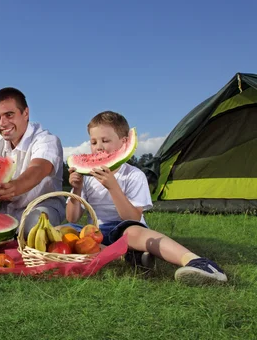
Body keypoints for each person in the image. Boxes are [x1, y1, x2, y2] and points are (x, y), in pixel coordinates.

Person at [66, 111, 227, 284]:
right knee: (65, 229)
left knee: (133, 233)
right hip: (95, 232)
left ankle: (198, 262)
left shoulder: (134, 175)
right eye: (93, 142)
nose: (98, 147)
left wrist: (113, 187)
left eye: (105, 141)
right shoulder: (87, 178)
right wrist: (77, 190)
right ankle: (130, 256)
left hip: (126, 228)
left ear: (124, 143)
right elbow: (72, 217)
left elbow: (132, 217)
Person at [0, 87, 66, 237]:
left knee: (33, 227)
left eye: (9, 115)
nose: (2, 123)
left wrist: (14, 187)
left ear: (26, 113)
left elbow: (39, 168)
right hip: (8, 210)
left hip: (43, 207)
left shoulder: (46, 140)